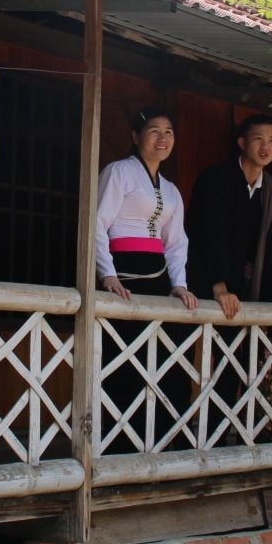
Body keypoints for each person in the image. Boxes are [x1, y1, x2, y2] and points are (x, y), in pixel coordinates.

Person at [94, 108, 197, 449]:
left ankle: (167, 442)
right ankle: (123, 446)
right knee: (125, 363)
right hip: (123, 275)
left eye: (168, 131)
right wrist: (107, 274)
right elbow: (98, 222)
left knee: (169, 358)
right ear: (136, 137)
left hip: (158, 278)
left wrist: (179, 284)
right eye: (154, 130)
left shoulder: (171, 190)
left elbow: (176, 242)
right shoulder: (119, 172)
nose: (163, 138)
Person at [185, 114, 272, 320]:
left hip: (238, 287)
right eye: (258, 139)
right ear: (242, 143)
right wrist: (219, 286)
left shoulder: (268, 187)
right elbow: (210, 234)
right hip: (203, 279)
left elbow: (268, 241)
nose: (265, 146)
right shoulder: (215, 178)